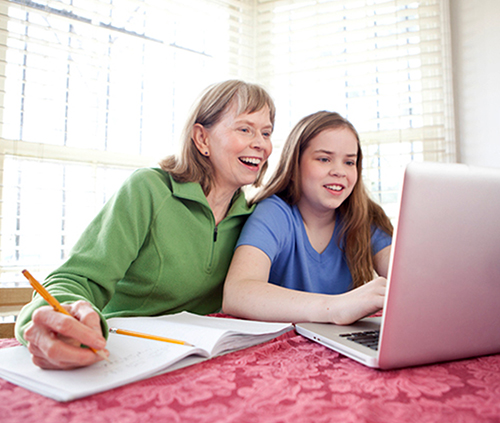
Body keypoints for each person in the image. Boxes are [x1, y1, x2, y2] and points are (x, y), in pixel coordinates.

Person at [15, 80, 275, 370]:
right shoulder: (148, 190)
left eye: (266, 133)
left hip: (199, 360)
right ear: (202, 139)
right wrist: (57, 319)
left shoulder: (255, 217)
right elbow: (75, 280)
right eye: (245, 129)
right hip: (121, 353)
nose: (261, 144)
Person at [222, 111, 393, 325]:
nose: (340, 171)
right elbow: (237, 293)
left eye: (349, 162)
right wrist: (333, 308)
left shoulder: (365, 217)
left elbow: (408, 281)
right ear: (294, 167)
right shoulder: (274, 213)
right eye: (324, 159)